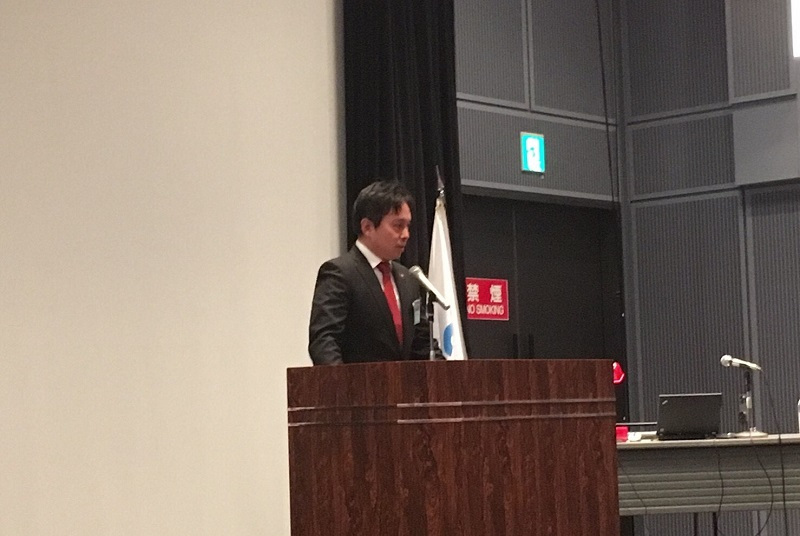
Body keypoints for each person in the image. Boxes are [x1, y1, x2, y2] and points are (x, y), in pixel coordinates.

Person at [308, 180, 434, 364]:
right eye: (398, 225)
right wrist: (342, 382)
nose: (406, 234)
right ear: (367, 227)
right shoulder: (339, 274)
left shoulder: (408, 279)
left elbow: (421, 343)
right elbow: (324, 342)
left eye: (408, 226)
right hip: (358, 382)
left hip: (404, 383)